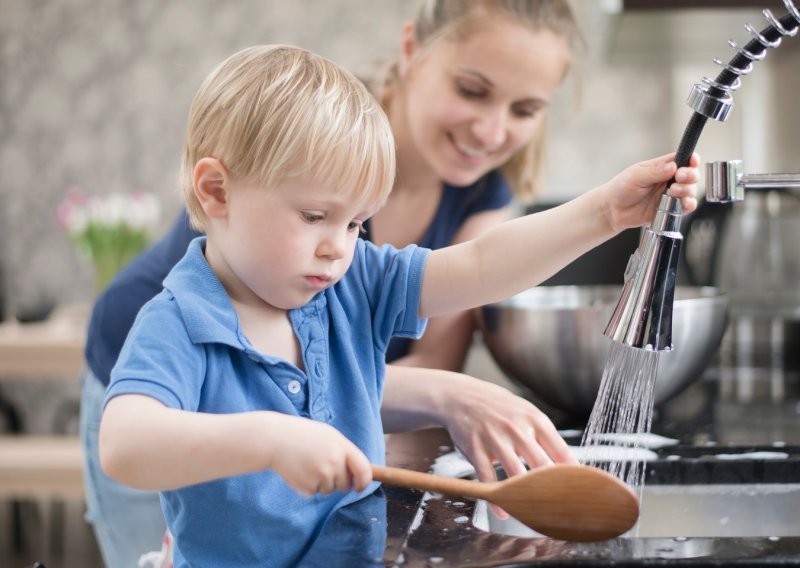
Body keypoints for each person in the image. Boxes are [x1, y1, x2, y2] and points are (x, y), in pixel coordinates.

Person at [98, 43, 698, 567]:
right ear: (216, 190)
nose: (338, 246)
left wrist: (605, 214)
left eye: (358, 222)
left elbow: (480, 265)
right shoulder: (178, 322)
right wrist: (269, 440)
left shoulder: (351, 280)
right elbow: (125, 445)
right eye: (314, 216)